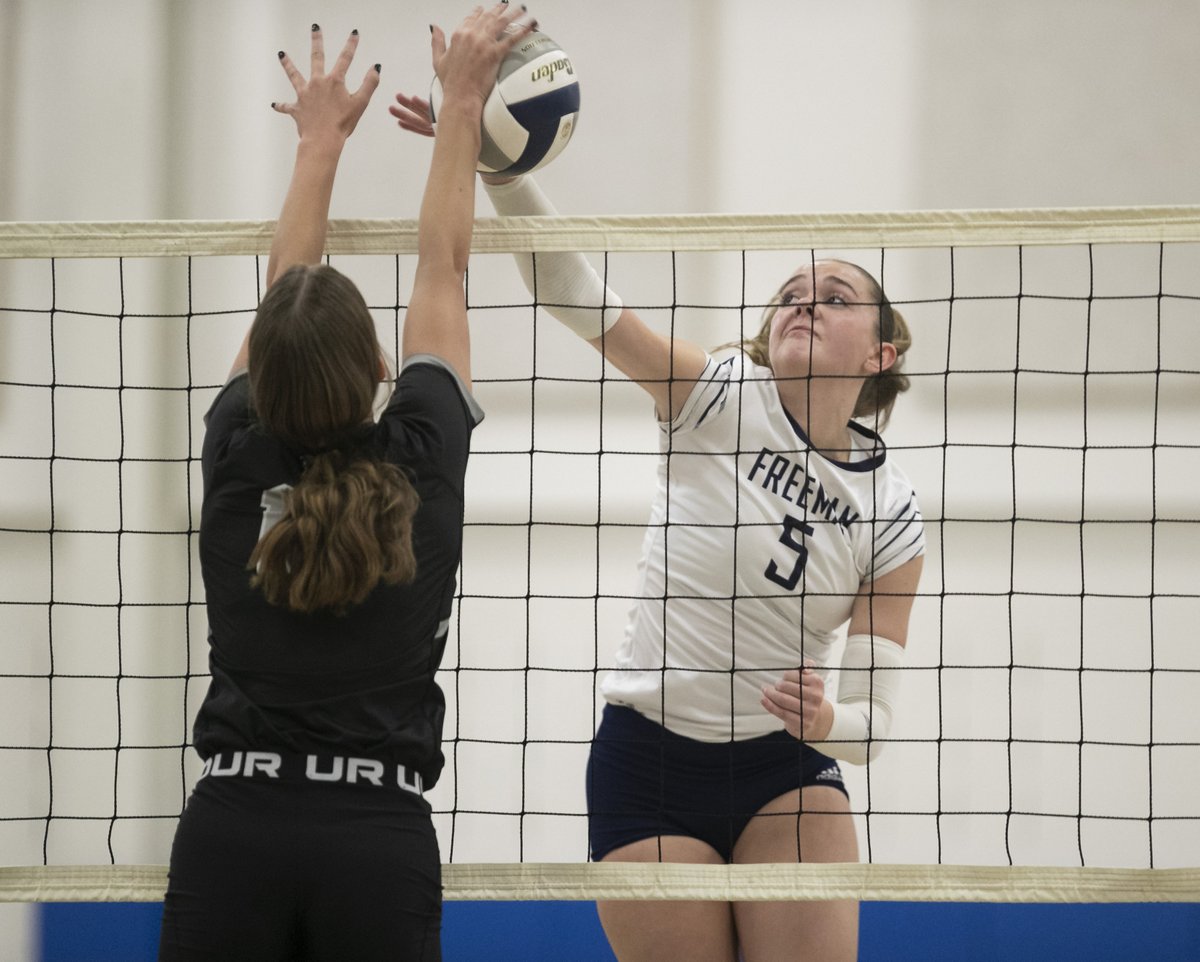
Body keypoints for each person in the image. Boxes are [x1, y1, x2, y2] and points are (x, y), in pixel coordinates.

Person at [394, 91, 925, 962]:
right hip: (649, 761)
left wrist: (828, 721)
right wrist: (501, 169)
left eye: (835, 297)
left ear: (880, 354)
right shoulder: (720, 396)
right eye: (791, 294)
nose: (804, 302)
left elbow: (872, 723)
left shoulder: (893, 511)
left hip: (782, 769)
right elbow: (576, 296)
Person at [158, 8, 535, 961]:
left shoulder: (238, 461)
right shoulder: (418, 462)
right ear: (378, 361)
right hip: (375, 839)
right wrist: (460, 108)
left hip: (231, 831)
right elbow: (443, 271)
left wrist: (318, 145)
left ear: (260, 381)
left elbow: (290, 287)